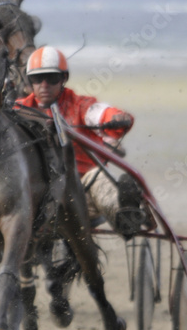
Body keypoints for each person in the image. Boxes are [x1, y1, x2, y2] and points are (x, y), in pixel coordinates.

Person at [15, 45, 147, 237]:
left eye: (52, 78)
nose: (44, 85)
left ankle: (124, 217)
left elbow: (100, 113)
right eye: (37, 79)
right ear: (29, 82)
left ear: (63, 79)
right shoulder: (19, 110)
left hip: (82, 188)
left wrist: (116, 117)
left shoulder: (80, 105)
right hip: (38, 192)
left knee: (99, 177)